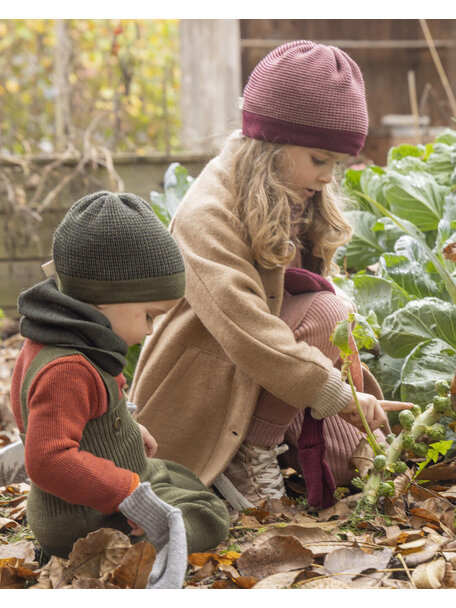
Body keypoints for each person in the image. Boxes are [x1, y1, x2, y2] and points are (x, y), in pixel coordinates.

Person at [129, 40, 412, 511]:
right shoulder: (208, 211)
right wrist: (335, 394)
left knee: (343, 468)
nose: (327, 178)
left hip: (266, 371)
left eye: (336, 165)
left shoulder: (291, 192)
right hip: (205, 378)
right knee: (326, 310)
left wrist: (351, 398)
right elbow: (248, 330)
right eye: (319, 160)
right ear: (270, 142)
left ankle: (272, 441)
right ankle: (247, 455)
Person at [10, 191, 230, 589]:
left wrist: (126, 424)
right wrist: (127, 493)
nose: (148, 330)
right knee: (206, 514)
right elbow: (46, 458)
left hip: (96, 489)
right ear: (105, 299)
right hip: (82, 514)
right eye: (148, 315)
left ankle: (141, 523)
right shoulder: (67, 368)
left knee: (182, 478)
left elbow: (83, 411)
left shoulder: (62, 337)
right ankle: (136, 549)